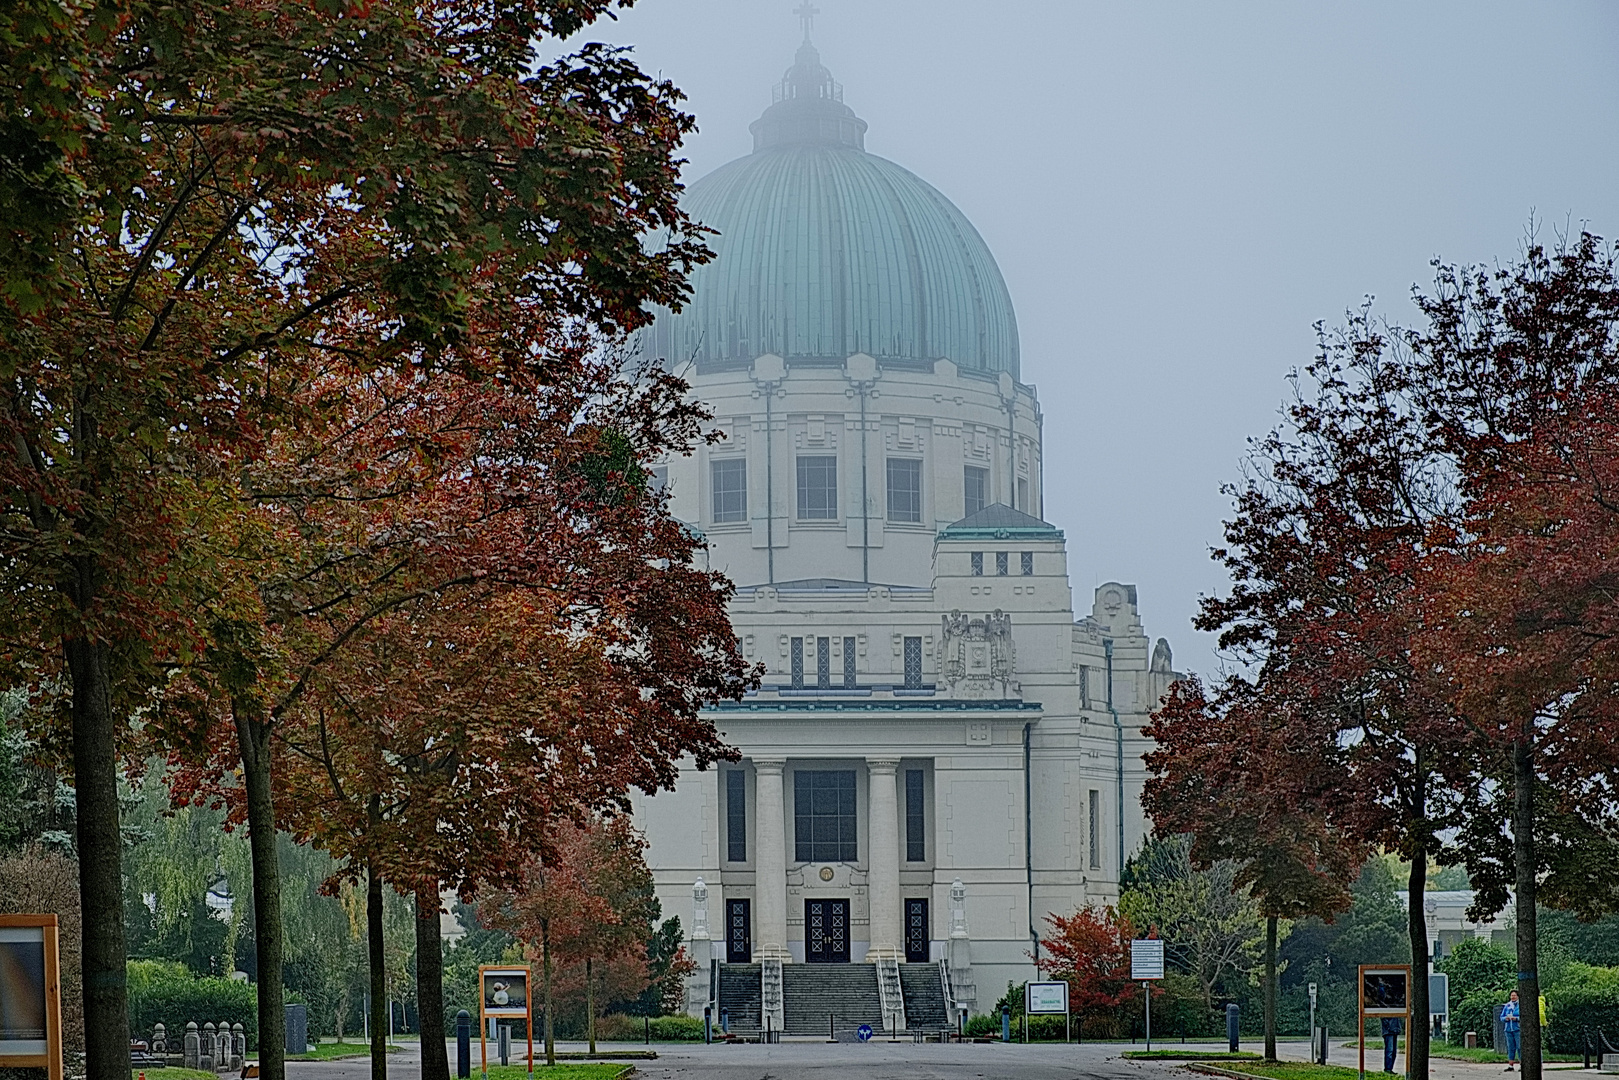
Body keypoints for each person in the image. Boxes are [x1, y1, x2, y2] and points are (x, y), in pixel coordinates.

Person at [1501, 990, 1522, 1070]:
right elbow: (1501, 1017)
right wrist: (1505, 1018)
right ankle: (1510, 1065)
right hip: (1508, 1029)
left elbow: (1523, 1016)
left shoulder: (1520, 1006)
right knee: (1510, 1047)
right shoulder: (1507, 1005)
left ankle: (1522, 1064)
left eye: (1514, 995)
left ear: (1518, 996)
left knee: (1520, 1047)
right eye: (1512, 995)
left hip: (1517, 1029)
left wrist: (1516, 1018)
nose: (1513, 997)